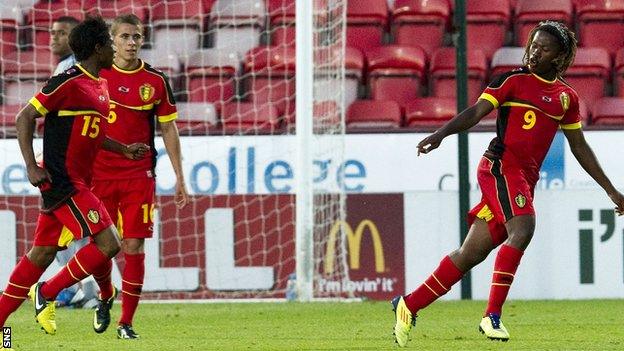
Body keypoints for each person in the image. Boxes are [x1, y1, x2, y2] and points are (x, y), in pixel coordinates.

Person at [391, 20, 624, 347]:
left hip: (523, 179)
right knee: (524, 227)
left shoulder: (566, 99)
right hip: (499, 168)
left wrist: (611, 190)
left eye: (543, 48)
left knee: (470, 254)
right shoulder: (512, 81)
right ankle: (492, 316)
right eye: (533, 45)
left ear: (558, 58)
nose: (533, 52)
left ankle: (408, 304)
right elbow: (475, 112)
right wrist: (441, 134)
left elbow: (579, 146)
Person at [0, 16, 148, 336]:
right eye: (110, 43)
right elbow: (25, 118)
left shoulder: (100, 84)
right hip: (63, 180)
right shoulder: (67, 81)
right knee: (109, 243)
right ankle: (48, 291)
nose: (115, 49)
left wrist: (122, 149)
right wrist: (30, 165)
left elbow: (91, 134)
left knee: (41, 253)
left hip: (79, 180)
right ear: (98, 48)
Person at [89, 14, 189, 340]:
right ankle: (105, 295)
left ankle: (125, 322)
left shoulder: (156, 81)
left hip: (139, 173)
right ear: (112, 41)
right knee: (103, 247)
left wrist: (179, 176)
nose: (132, 43)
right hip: (99, 173)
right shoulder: (96, 75)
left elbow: (168, 128)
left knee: (133, 244)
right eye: (125, 37)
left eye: (137, 37)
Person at [50, 14, 98, 309]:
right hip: (67, 159)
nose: (54, 37)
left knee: (73, 228)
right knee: (64, 231)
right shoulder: (63, 67)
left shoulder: (75, 69)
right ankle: (84, 288)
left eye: (62, 32)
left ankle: (89, 289)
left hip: (74, 163)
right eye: (52, 32)